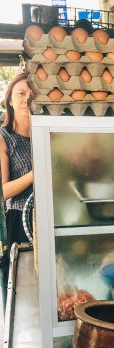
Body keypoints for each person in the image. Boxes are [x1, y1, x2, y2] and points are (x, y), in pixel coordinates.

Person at [0, 73, 34, 250]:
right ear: (10, 100)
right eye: (21, 93)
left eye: (32, 94)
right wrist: (34, 175)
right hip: (20, 220)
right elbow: (2, 192)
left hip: (50, 215)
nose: (27, 99)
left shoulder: (45, 134)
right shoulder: (3, 138)